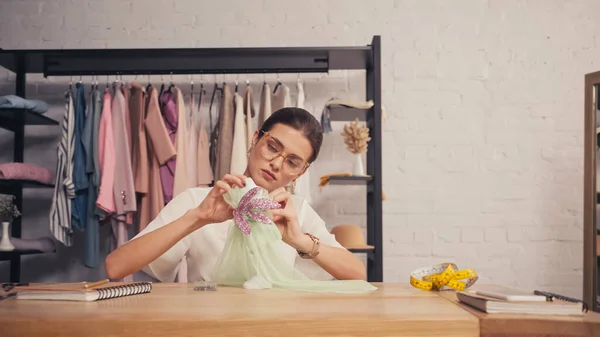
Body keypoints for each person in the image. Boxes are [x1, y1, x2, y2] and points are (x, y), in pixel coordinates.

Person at [105, 107, 367, 282]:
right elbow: (116, 267)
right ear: (255, 140)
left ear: (301, 172)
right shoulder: (200, 201)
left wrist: (301, 240)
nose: (276, 163)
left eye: (292, 162)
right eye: (272, 147)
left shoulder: (294, 212)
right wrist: (198, 219)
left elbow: (357, 274)